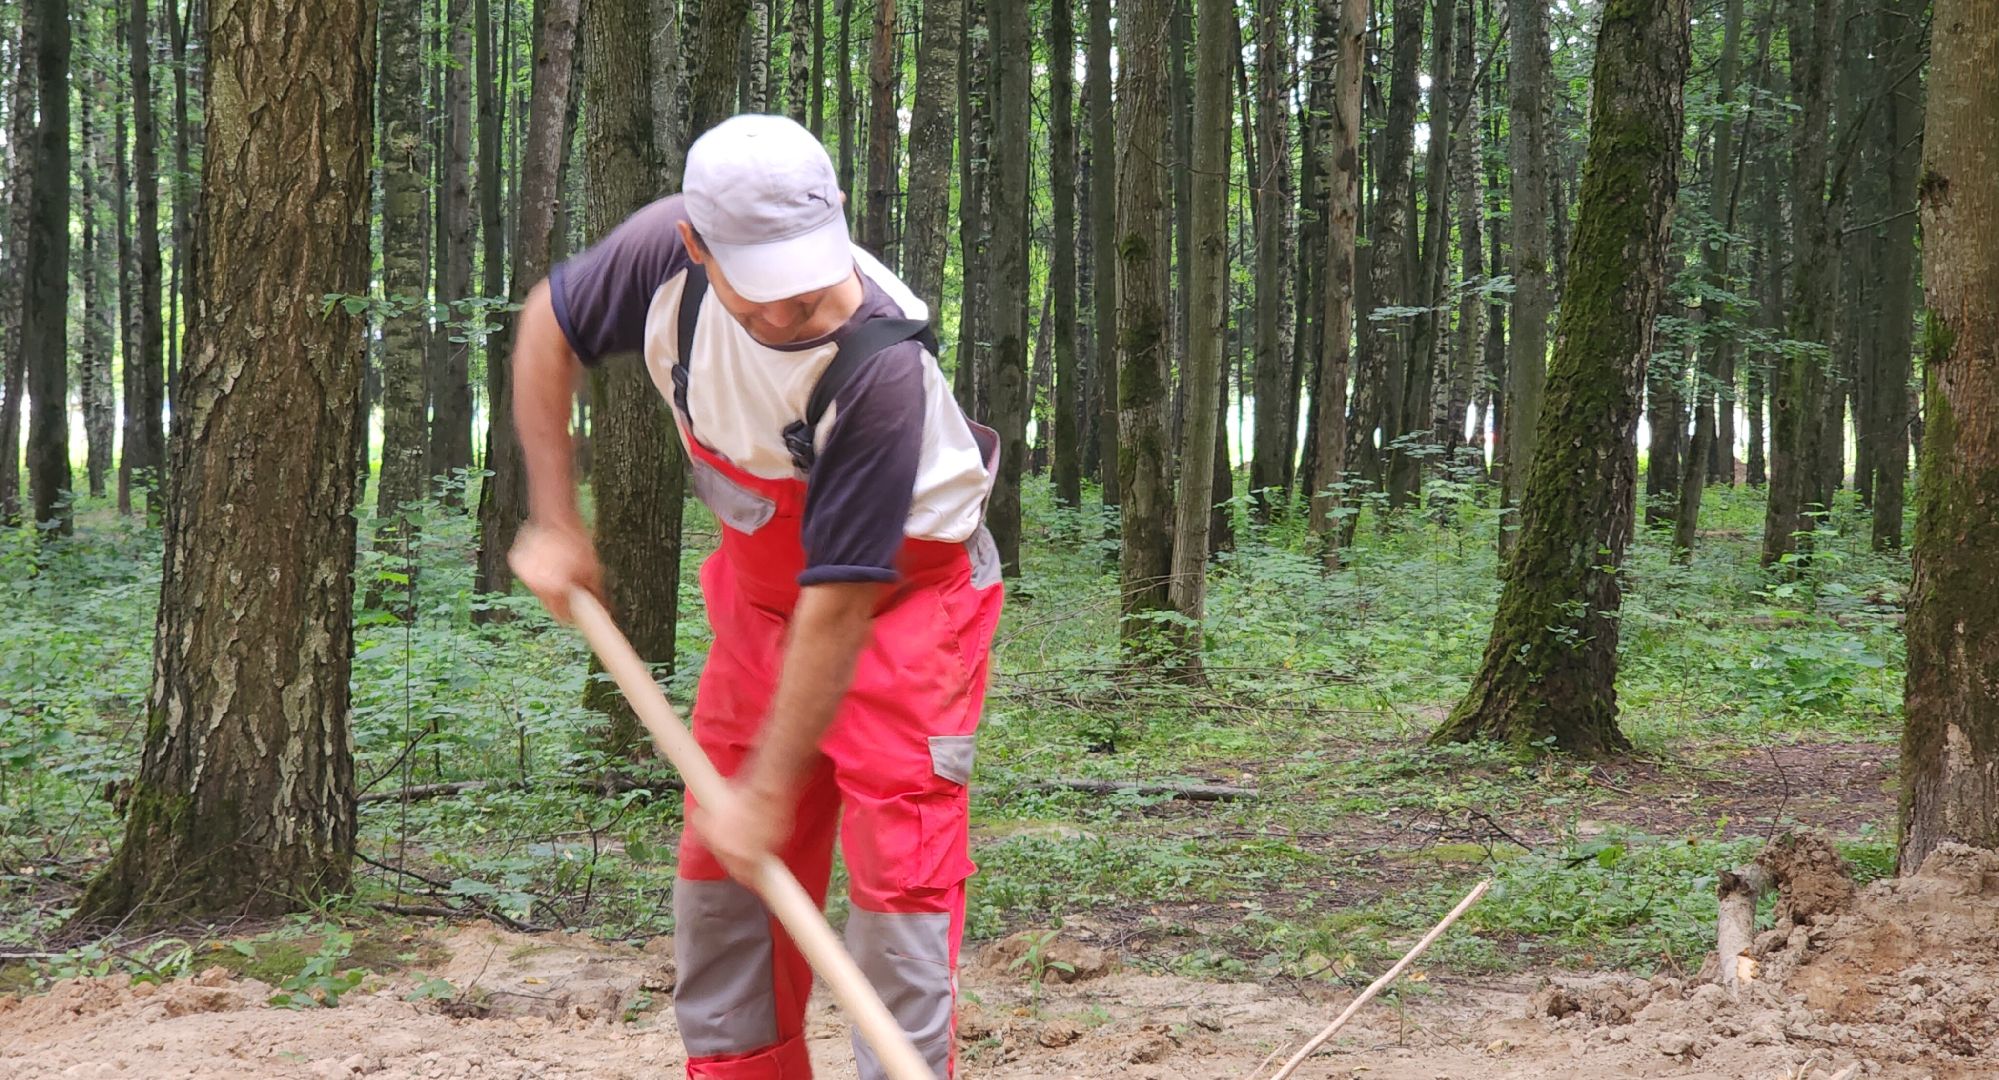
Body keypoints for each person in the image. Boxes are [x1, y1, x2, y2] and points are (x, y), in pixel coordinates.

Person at [507, 113, 1003, 1080]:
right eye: (763, 289)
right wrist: (557, 519)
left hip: (904, 608)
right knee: (721, 880)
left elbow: (843, 606)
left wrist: (769, 793)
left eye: (807, 277)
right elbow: (546, 328)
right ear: (695, 245)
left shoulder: (880, 367)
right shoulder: (658, 256)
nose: (793, 310)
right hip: (761, 600)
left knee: (901, 875)